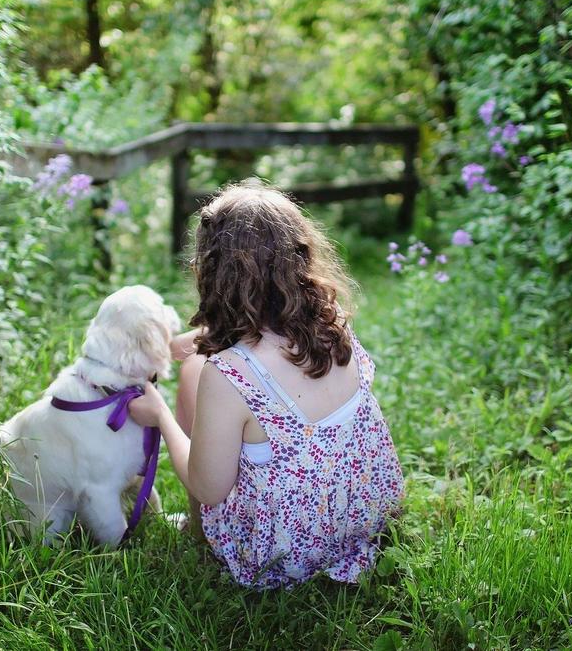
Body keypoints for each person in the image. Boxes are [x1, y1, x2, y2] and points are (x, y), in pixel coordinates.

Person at [127, 181, 404, 589]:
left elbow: (209, 488)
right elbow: (256, 344)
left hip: (283, 551)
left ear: (214, 271)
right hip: (364, 516)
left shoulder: (227, 374)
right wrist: (175, 345)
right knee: (196, 364)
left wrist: (162, 417)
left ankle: (200, 533)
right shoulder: (333, 323)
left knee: (192, 373)